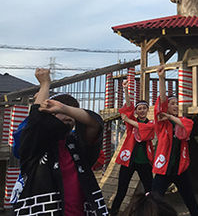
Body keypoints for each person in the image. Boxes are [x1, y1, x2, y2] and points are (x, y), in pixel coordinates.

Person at [14, 68, 108, 215]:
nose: (68, 116)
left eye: (72, 112)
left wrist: (64, 108)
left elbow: (95, 124)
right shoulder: (34, 146)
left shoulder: (77, 144)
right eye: (56, 111)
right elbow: (35, 123)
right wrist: (45, 84)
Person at [150, 65, 198, 216]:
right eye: (173, 103)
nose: (176, 105)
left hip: (180, 168)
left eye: (177, 103)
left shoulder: (184, 121)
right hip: (164, 167)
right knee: (154, 199)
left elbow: (186, 127)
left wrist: (172, 117)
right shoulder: (162, 123)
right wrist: (161, 78)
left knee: (190, 199)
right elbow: (163, 101)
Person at [110, 80, 155, 215]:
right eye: (139, 109)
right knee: (121, 190)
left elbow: (145, 130)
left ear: (147, 110)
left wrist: (129, 120)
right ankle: (113, 212)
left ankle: (151, 212)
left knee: (149, 190)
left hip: (144, 161)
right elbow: (128, 107)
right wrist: (125, 90)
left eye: (144, 108)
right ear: (136, 111)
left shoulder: (151, 124)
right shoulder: (132, 123)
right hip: (128, 161)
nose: (142, 111)